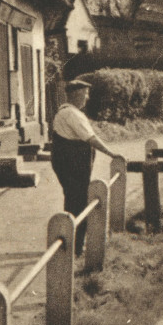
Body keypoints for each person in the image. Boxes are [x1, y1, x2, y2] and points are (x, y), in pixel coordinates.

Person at [51, 80, 123, 256]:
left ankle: (73, 243)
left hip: (71, 164)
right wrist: (112, 153)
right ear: (76, 95)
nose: (87, 97)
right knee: (78, 201)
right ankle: (74, 247)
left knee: (75, 200)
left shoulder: (70, 112)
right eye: (85, 94)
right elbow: (91, 138)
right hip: (72, 165)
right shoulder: (71, 114)